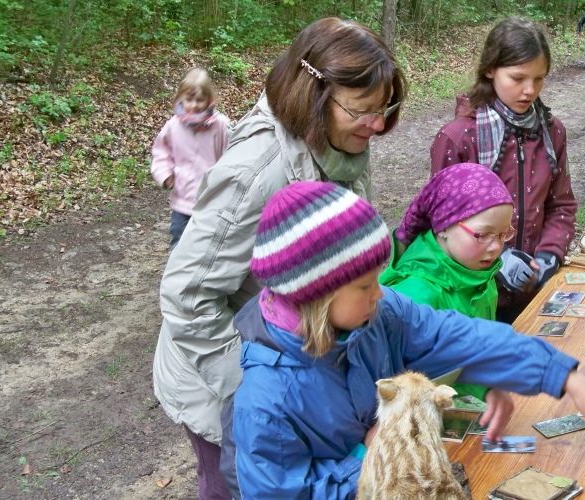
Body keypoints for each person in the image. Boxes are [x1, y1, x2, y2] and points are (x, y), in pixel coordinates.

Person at [224, 181, 585, 498]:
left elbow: (465, 337)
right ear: (316, 293)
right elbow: (281, 493)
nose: (382, 290)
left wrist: (567, 377)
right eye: (365, 285)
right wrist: (374, 456)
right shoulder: (266, 400)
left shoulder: (381, 313)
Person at [151, 18, 405, 500]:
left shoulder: (337, 141)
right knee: (238, 486)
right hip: (227, 378)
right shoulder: (256, 174)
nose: (377, 125)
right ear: (315, 95)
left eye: (384, 108)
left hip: (301, 367)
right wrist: (258, 392)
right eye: (364, 110)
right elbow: (186, 296)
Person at [430, 17, 577, 324]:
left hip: (534, 294)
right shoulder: (458, 138)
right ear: (489, 69)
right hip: (472, 300)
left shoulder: (552, 133)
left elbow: (561, 204)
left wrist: (550, 254)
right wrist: (497, 259)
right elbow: (440, 225)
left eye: (539, 79)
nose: (529, 90)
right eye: (517, 78)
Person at [379, 163, 516, 432]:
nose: (496, 246)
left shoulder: (479, 275)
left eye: (503, 234)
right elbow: (391, 388)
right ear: (443, 226)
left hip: (471, 420)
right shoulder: (415, 295)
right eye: (483, 234)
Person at [150, 68, 229, 251]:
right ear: (181, 99)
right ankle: (177, 276)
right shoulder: (173, 126)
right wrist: (164, 174)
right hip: (182, 199)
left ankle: (205, 276)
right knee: (179, 238)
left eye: (200, 100)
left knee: (210, 243)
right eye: (189, 100)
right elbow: (161, 154)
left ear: (209, 99)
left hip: (212, 199)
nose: (194, 105)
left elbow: (232, 154)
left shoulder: (221, 125)